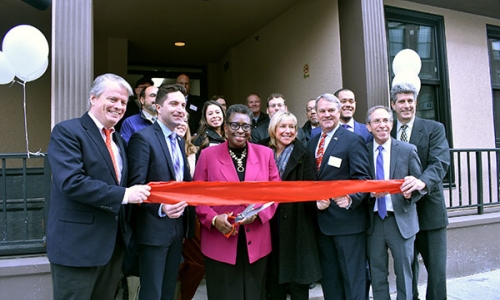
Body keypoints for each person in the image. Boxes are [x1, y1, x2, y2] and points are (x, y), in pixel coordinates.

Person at [47, 73, 151, 300]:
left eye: (123, 102)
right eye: (112, 99)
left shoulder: (119, 141)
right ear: (93, 98)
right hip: (77, 249)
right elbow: (71, 182)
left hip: (113, 250)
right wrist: (124, 195)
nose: (119, 106)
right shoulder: (68, 132)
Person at [194, 104, 280, 300]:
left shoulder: (265, 154)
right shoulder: (208, 155)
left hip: (256, 239)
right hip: (219, 240)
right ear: (225, 128)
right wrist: (214, 220)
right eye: (234, 125)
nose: (240, 131)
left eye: (246, 126)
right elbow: (197, 196)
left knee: (254, 294)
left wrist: (258, 214)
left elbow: (276, 193)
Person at [127, 84, 196, 300]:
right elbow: (135, 186)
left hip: (177, 231)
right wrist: (161, 208)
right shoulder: (143, 138)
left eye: (183, 105)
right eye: (173, 103)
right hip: (153, 232)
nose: (180, 109)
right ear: (158, 107)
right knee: (152, 293)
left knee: (168, 292)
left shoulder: (178, 140)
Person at [306, 93, 371, 300]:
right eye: (322, 111)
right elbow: (310, 181)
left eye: (331, 110)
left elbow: (363, 179)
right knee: (330, 280)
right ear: (315, 114)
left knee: (353, 279)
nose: (326, 115)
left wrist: (351, 198)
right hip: (322, 225)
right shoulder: (312, 142)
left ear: (339, 111)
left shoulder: (353, 140)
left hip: (347, 224)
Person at [390, 82, 450, 300]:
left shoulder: (434, 128)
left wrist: (421, 182)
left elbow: (440, 163)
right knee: (406, 271)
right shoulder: (386, 131)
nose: (406, 106)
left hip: (429, 212)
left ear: (415, 103)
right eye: (401, 101)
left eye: (410, 101)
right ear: (393, 105)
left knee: (436, 272)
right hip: (399, 213)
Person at [365, 105, 425, 300]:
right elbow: (357, 184)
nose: (381, 125)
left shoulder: (407, 150)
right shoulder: (363, 151)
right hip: (373, 222)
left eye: (385, 120)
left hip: (401, 221)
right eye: (376, 121)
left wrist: (411, 194)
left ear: (391, 123)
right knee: (377, 272)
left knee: (404, 272)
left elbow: (420, 185)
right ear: (368, 127)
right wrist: (369, 194)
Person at [265, 111, 322, 300]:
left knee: (298, 281)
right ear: (274, 129)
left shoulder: (303, 154)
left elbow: (310, 188)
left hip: (297, 224)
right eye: (283, 126)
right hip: (269, 222)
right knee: (273, 280)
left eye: (292, 127)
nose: (288, 131)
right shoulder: (263, 150)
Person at [174, 117, 205, 300]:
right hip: (165, 212)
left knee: (197, 262)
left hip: (190, 214)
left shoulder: (195, 152)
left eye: (185, 120)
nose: (181, 123)